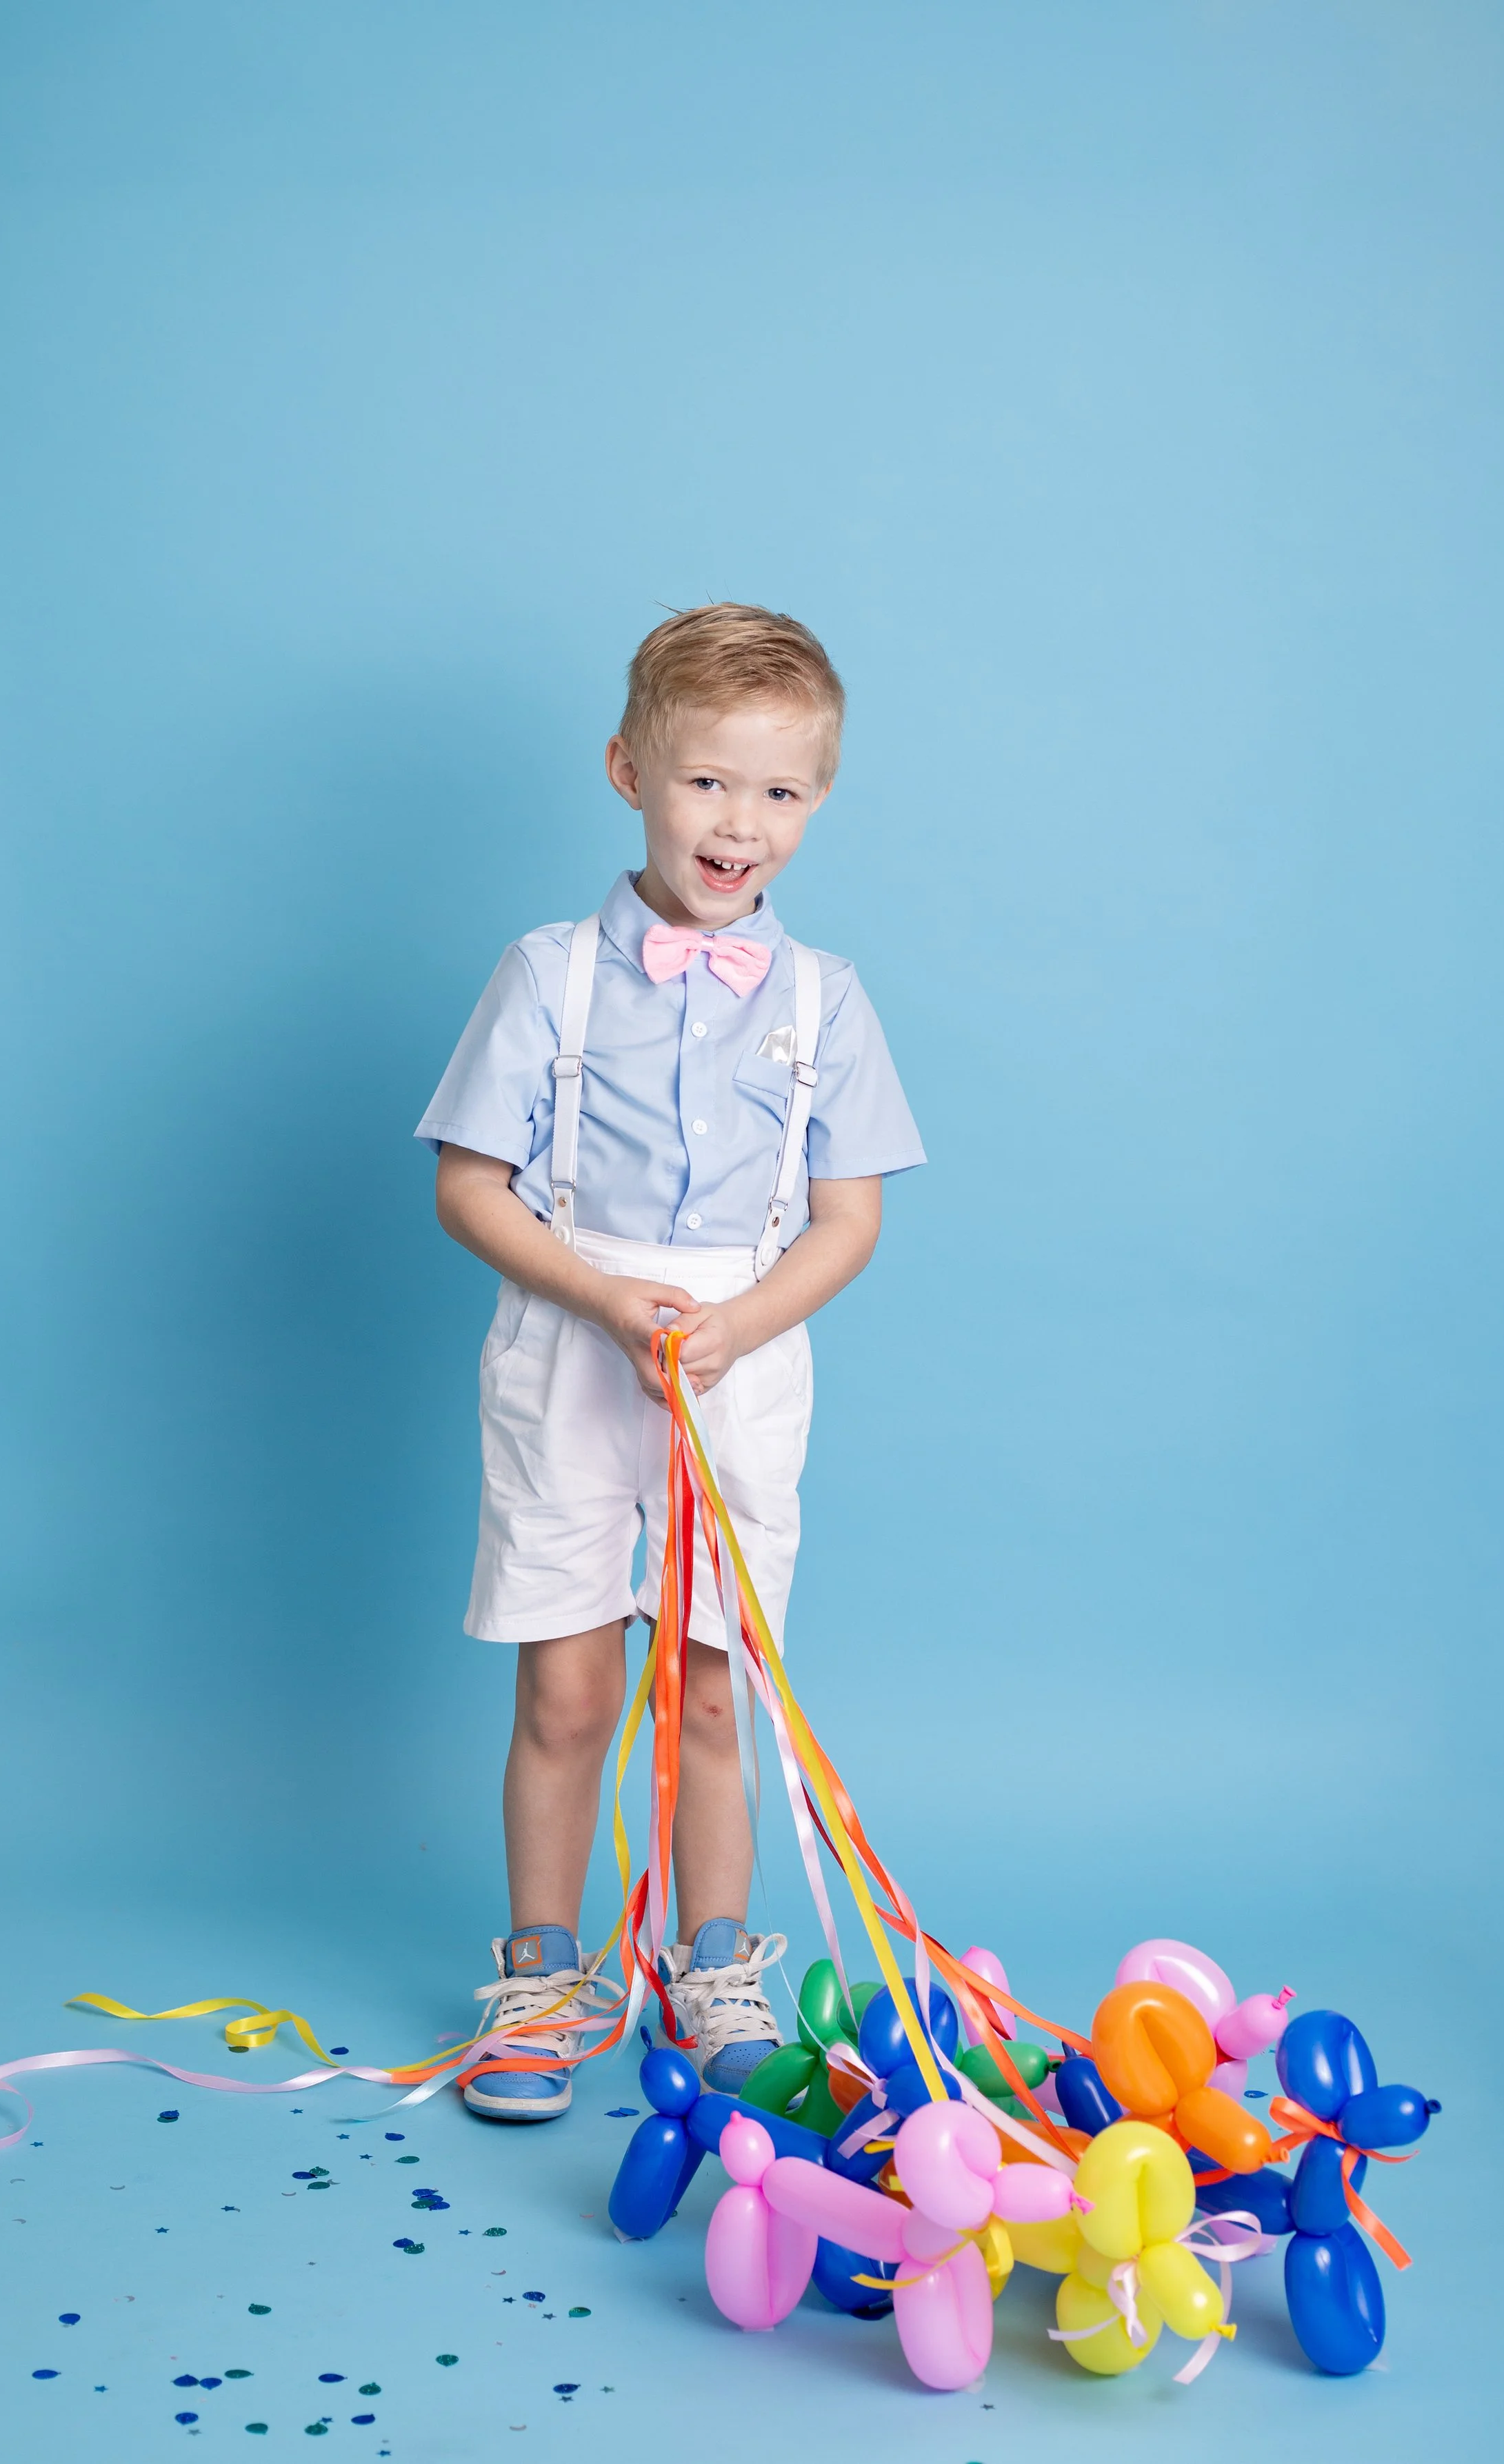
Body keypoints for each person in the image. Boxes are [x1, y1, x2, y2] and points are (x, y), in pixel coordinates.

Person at [419, 603, 924, 2121]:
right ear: (629, 768)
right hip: (575, 1343)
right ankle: (542, 1969)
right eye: (706, 782)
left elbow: (847, 1222)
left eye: (777, 792)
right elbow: (467, 1188)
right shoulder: (546, 974)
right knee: (567, 1692)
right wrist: (608, 1302)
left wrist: (731, 1331)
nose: (739, 823)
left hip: (745, 1362)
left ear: (817, 799)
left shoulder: (826, 998)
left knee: (710, 1693)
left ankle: (715, 1969)